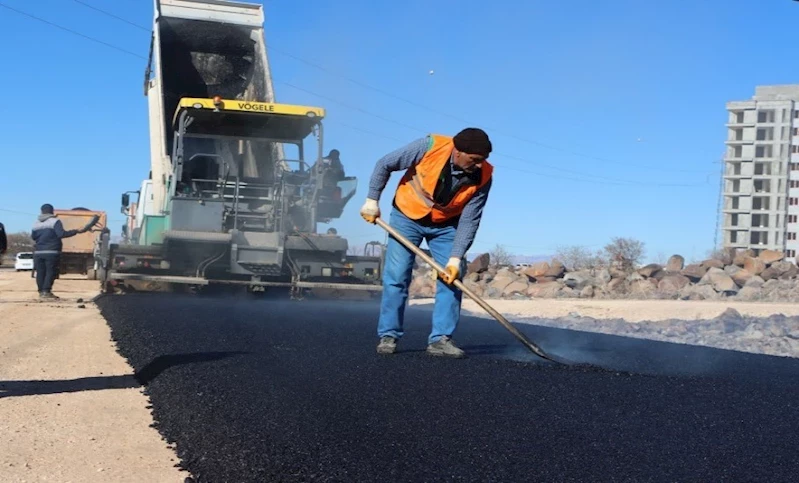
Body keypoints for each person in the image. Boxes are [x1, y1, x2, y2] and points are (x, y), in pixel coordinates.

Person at [360, 128, 493, 358]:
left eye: (483, 160)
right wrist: (372, 200)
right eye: (475, 160)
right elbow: (384, 164)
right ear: (458, 152)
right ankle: (389, 334)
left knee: (452, 276)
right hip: (406, 217)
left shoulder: (483, 175)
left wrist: (455, 257)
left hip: (445, 225)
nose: (480, 165)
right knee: (397, 275)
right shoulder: (429, 147)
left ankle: (441, 339)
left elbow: (471, 219)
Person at [31, 204, 85, 299]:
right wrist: (76, 231)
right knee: (50, 271)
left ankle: (41, 292)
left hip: (38, 252)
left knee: (40, 272)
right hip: (52, 251)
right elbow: (61, 234)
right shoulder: (55, 221)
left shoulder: (36, 223)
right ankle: (46, 291)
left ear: (41, 211)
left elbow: (33, 237)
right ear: (52, 211)